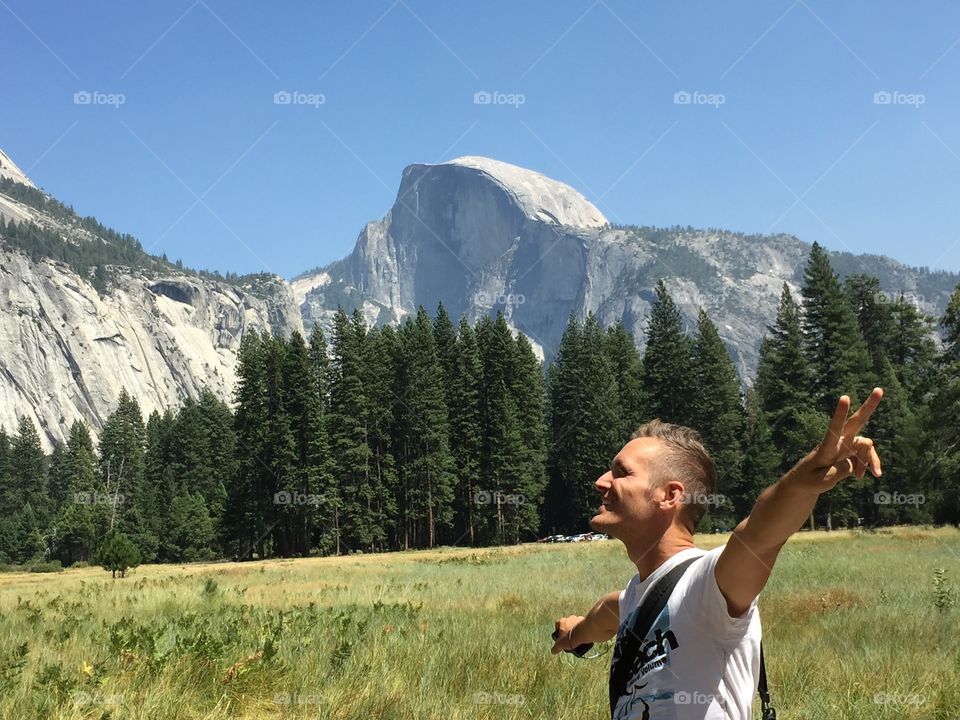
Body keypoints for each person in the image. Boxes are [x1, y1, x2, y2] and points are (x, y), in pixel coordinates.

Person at [551, 389, 884, 719]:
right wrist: (572, 634)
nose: (601, 482)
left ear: (669, 495)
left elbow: (760, 534)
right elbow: (596, 621)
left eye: (621, 472)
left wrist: (804, 479)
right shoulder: (627, 603)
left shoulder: (710, 583)